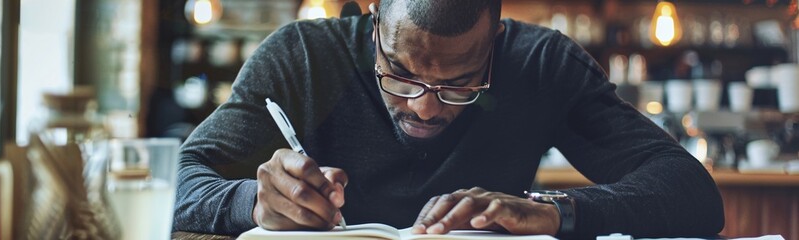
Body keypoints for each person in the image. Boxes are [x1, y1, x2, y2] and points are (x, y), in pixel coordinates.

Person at [172, 0, 725, 238]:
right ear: (374, 26)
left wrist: (553, 213)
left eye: (461, 83)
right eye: (402, 74)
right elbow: (178, 182)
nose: (426, 106)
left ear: (497, 39)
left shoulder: (540, 64)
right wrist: (254, 202)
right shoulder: (303, 58)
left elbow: (693, 193)